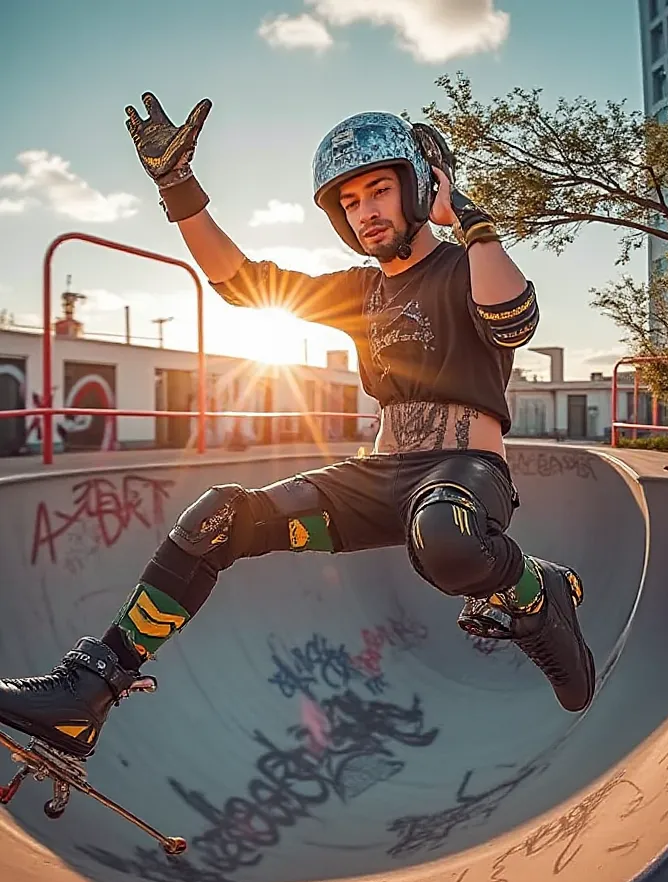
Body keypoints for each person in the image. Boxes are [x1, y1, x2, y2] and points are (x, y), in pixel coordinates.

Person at [0, 95, 596, 762]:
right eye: (349, 202)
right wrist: (177, 186)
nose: (365, 211)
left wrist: (470, 222)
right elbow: (242, 282)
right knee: (215, 519)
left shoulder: (465, 267)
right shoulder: (360, 291)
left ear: (420, 188)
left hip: (464, 475)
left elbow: (514, 318)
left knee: (446, 535)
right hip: (374, 480)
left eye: (379, 191)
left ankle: (535, 590)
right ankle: (89, 689)